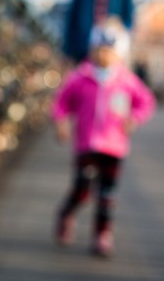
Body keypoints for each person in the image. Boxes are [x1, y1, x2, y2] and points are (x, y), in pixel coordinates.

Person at [52, 19, 156, 257]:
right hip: (86, 144)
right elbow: (61, 101)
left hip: (114, 145)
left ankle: (102, 234)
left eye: (110, 51)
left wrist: (135, 118)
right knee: (83, 189)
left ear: (120, 54)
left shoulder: (126, 80)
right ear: (92, 50)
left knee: (107, 194)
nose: (104, 56)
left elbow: (146, 102)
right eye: (100, 50)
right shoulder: (80, 77)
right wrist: (61, 121)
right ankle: (67, 214)